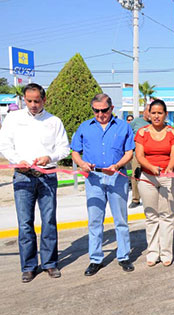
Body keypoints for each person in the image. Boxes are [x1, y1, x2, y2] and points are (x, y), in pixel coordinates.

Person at [0, 83, 70, 283]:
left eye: (36, 101)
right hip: (22, 176)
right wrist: (16, 161)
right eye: (29, 101)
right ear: (24, 100)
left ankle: (50, 263)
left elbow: (64, 148)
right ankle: (29, 266)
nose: (32, 105)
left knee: (48, 221)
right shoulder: (14, 119)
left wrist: (50, 157)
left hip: (47, 176)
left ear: (44, 100)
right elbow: (4, 144)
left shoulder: (54, 121)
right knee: (25, 223)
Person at [71, 93, 135, 276]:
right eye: (96, 111)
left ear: (112, 108)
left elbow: (129, 152)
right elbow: (75, 151)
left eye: (104, 110)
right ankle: (95, 259)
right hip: (94, 180)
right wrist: (82, 163)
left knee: (121, 220)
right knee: (95, 221)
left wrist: (117, 165)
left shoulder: (123, 127)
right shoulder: (85, 127)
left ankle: (123, 256)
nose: (100, 114)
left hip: (117, 177)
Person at [134, 99, 174, 267]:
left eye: (160, 113)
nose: (156, 116)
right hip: (147, 177)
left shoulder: (173, 133)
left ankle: (166, 253)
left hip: (169, 177)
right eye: (153, 113)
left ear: (165, 114)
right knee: (152, 216)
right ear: (148, 114)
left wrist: (168, 168)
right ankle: (153, 252)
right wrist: (151, 168)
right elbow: (139, 156)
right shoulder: (142, 133)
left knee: (167, 216)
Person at [128, 104, 151, 209]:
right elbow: (127, 133)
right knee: (135, 176)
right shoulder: (136, 122)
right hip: (137, 154)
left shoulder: (157, 124)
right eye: (150, 111)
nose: (152, 114)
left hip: (151, 155)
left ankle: (150, 199)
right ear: (144, 111)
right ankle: (135, 199)